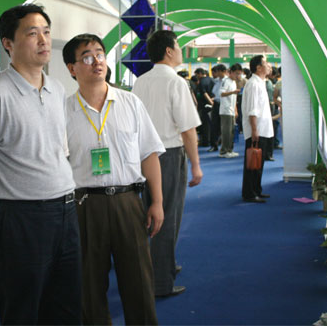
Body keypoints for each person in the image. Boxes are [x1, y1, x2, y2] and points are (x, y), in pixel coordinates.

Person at [0, 4, 81, 325]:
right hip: (21, 218)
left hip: (66, 211)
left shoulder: (57, 89)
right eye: (32, 33)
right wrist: (7, 205)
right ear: (8, 43)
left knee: (67, 307)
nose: (43, 40)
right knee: (22, 310)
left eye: (46, 32)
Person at [63, 33, 165, 325]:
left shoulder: (130, 103)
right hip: (84, 205)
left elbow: (149, 154)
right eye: (87, 57)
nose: (96, 61)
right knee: (89, 286)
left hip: (127, 201)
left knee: (139, 282)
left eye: (100, 54)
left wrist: (157, 202)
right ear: (72, 68)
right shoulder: (63, 111)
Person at [133, 30, 203, 297]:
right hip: (169, 155)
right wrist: (196, 165)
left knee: (149, 214)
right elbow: (187, 129)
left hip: (142, 156)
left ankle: (160, 266)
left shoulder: (140, 82)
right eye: (179, 46)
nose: (181, 51)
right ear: (169, 51)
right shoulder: (176, 82)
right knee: (167, 216)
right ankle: (161, 281)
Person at [241, 55, 274, 203]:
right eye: (266, 63)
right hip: (257, 130)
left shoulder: (260, 82)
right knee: (253, 163)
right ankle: (250, 193)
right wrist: (254, 130)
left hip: (263, 129)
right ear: (259, 67)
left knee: (258, 162)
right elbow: (252, 110)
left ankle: (256, 189)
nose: (269, 65)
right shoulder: (254, 84)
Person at [219, 63, 243, 158]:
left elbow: (234, 98)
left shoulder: (233, 82)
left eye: (239, 74)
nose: (238, 75)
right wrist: (233, 92)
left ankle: (229, 149)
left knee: (232, 131)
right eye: (236, 73)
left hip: (231, 110)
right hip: (226, 110)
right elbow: (222, 94)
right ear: (231, 72)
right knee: (226, 132)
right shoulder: (226, 81)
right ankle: (224, 151)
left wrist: (235, 110)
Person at [194, 68, 214, 147]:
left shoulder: (201, 82)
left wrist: (210, 102)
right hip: (213, 105)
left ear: (200, 73)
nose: (196, 76)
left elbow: (204, 93)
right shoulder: (212, 80)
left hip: (205, 105)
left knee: (205, 125)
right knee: (212, 124)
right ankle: (212, 141)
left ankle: (206, 141)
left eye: (196, 75)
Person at [209, 64, 227, 152]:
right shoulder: (216, 81)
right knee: (214, 125)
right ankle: (214, 145)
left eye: (218, 72)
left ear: (223, 71)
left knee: (224, 126)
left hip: (224, 104)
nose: (217, 73)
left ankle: (224, 145)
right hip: (216, 104)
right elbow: (215, 92)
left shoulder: (227, 81)